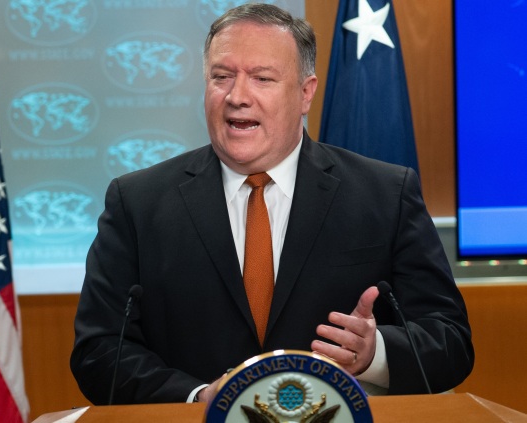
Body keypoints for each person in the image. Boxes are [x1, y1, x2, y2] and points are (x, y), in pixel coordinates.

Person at [70, 3, 474, 405]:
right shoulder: (137, 202)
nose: (236, 96)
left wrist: (374, 354)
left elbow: (451, 341)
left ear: (305, 93)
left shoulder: (386, 194)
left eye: (262, 78)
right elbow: (100, 351)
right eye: (221, 77)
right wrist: (195, 399)